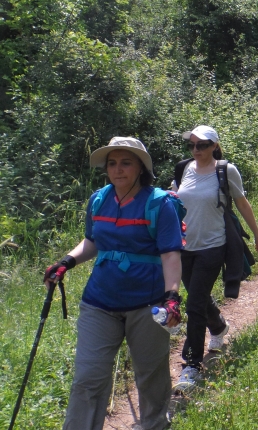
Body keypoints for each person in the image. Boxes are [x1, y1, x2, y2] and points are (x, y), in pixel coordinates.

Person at [45, 137, 183, 430]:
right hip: (99, 302)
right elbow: (93, 241)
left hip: (148, 304)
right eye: (112, 163)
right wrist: (66, 262)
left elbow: (170, 254)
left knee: (151, 376)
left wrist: (172, 295)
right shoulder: (99, 200)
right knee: (88, 377)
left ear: (140, 168)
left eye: (126, 162)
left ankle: (154, 426)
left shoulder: (159, 203)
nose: (117, 169)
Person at [173, 125, 258, 391]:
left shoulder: (225, 170)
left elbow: (242, 203)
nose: (195, 150)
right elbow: (175, 202)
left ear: (214, 145)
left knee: (194, 304)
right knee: (198, 298)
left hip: (213, 246)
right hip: (184, 246)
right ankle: (219, 327)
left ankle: (191, 365)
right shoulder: (183, 169)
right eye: (192, 145)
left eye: (201, 145)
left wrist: (257, 235)